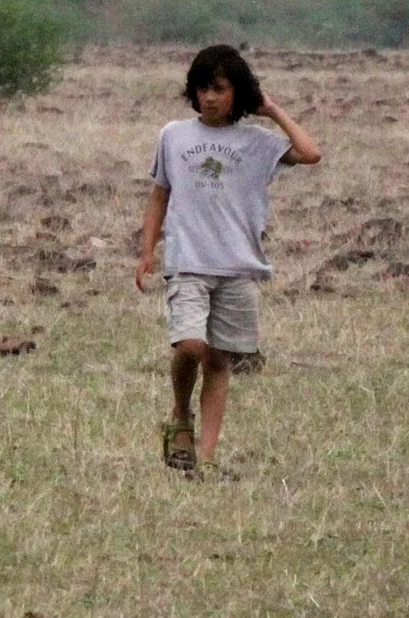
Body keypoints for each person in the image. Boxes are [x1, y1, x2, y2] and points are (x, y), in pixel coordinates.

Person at [134, 44, 321, 480]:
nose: (209, 98)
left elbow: (311, 153)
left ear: (238, 92)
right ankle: (180, 416)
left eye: (219, 89)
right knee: (190, 346)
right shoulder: (174, 136)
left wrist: (272, 110)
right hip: (187, 262)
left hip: (239, 266)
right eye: (202, 88)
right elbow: (159, 195)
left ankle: (207, 459)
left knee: (219, 362)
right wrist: (147, 252)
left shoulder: (258, 143)